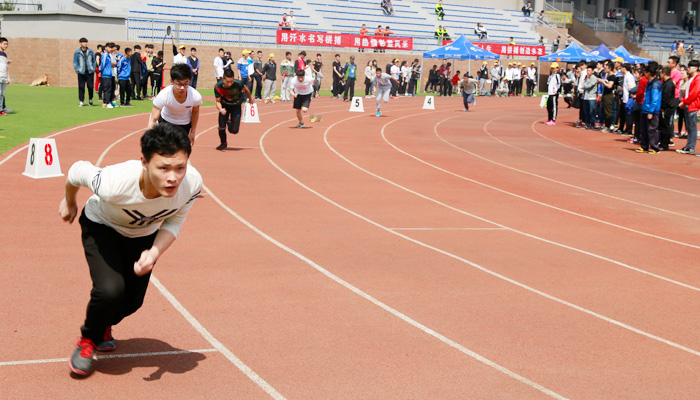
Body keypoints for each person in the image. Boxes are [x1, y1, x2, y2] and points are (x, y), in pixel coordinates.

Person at [60, 122, 202, 377]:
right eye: (163, 168)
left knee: (133, 302)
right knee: (109, 289)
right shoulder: (114, 183)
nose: (173, 177)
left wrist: (154, 252)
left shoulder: (191, 184)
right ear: (144, 163)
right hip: (102, 226)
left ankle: (104, 323)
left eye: (180, 167)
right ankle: (88, 340)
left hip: (142, 235)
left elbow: (174, 221)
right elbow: (77, 171)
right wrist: (69, 201)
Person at [148, 64, 202, 145]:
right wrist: (149, 136)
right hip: (166, 122)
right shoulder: (164, 94)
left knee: (180, 151)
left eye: (186, 83)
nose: (182, 88)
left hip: (184, 124)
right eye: (179, 84)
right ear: (172, 81)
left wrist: (193, 131)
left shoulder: (195, 96)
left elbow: (195, 112)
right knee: (165, 149)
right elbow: (153, 119)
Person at [214, 68, 253, 150]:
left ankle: (228, 122)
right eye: (227, 81)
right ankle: (223, 143)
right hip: (225, 106)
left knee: (234, 130)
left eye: (231, 81)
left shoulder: (238, 84)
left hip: (236, 106)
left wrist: (250, 98)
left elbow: (246, 90)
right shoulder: (218, 86)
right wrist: (221, 110)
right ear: (223, 79)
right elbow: (217, 101)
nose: (230, 84)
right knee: (221, 127)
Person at [637, 62, 662, 154]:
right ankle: (644, 146)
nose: (644, 74)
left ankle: (655, 147)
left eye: (645, 72)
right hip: (645, 108)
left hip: (652, 110)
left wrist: (651, 112)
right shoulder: (649, 83)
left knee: (652, 129)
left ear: (648, 73)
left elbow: (655, 99)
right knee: (643, 129)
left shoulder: (655, 84)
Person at [678, 59, 700, 155]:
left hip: (693, 105)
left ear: (696, 68)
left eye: (690, 67)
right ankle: (688, 146)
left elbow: (694, 93)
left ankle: (691, 147)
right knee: (689, 127)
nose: (688, 69)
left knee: (692, 127)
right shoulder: (691, 79)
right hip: (688, 105)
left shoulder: (698, 79)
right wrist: (683, 101)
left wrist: (685, 102)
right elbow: (686, 93)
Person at [658, 66, 678, 151]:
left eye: (661, 73)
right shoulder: (666, 83)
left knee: (665, 127)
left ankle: (664, 144)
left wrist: (662, 107)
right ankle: (663, 143)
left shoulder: (669, 84)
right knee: (663, 126)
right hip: (666, 107)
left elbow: (666, 97)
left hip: (667, 108)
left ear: (664, 74)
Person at [73, 37, 96, 107]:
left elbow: (94, 61)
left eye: (86, 42)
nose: (85, 43)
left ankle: (90, 99)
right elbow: (75, 62)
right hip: (81, 72)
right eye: (83, 42)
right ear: (80, 43)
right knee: (81, 87)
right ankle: (81, 101)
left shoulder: (90, 51)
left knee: (90, 86)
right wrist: (78, 70)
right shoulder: (77, 52)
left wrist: (93, 68)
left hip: (90, 72)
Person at [99, 43, 116, 109]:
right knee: (107, 89)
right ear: (106, 47)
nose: (110, 49)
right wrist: (101, 71)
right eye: (109, 47)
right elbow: (102, 64)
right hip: (106, 74)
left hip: (109, 74)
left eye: (111, 48)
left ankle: (107, 102)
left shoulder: (108, 55)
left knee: (109, 88)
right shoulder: (105, 55)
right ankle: (106, 102)